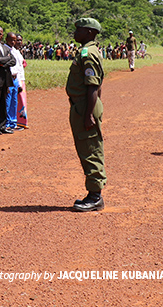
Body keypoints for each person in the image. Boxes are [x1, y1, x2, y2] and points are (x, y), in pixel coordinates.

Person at [66, 18, 106, 212]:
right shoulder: (87, 50)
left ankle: (95, 196)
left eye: (79, 29)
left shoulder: (88, 53)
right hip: (83, 106)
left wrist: (89, 114)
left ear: (90, 32)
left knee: (90, 150)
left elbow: (92, 85)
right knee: (86, 148)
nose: (75, 32)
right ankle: (93, 194)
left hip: (84, 107)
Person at [5, 32, 24, 131]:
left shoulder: (15, 51)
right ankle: (6, 123)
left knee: (14, 102)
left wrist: (19, 82)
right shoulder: (5, 49)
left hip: (16, 79)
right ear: (6, 39)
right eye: (11, 40)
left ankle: (13, 123)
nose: (13, 42)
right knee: (7, 101)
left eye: (14, 40)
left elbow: (19, 67)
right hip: (8, 78)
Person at [15, 34, 29, 129]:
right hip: (17, 79)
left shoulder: (18, 52)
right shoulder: (12, 51)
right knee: (19, 101)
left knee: (22, 101)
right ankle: (18, 122)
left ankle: (22, 121)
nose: (19, 42)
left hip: (22, 79)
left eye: (21, 40)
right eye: (17, 40)